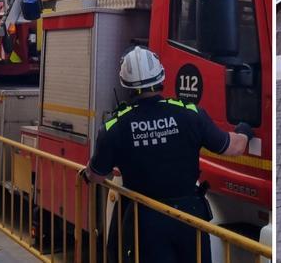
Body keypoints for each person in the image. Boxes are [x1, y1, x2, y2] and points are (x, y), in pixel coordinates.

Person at [80, 46, 254, 263]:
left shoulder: (114, 127)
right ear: (161, 76)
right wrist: (244, 131)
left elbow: (96, 175)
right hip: (189, 218)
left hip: (144, 221)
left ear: (125, 84)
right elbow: (233, 148)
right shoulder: (190, 113)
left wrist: (91, 171)